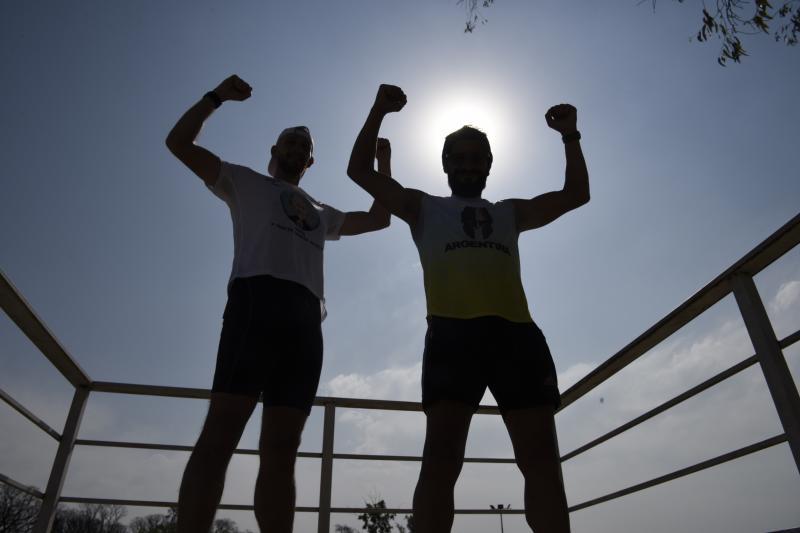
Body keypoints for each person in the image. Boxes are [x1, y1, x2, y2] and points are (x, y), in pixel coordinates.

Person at [347, 84, 589, 533]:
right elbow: (359, 171)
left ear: (489, 165)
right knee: (441, 461)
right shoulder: (423, 207)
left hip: (516, 336)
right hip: (452, 335)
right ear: (445, 164)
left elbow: (575, 195)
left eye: (477, 157)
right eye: (458, 157)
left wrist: (570, 135)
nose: (467, 164)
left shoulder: (511, 212)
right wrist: (379, 109)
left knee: (540, 462)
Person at [165, 74, 392, 533]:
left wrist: (384, 162)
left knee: (283, 447)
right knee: (222, 433)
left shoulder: (321, 212)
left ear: (310, 163)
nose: (293, 150)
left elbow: (380, 218)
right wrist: (216, 98)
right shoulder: (243, 182)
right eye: (288, 142)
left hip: (306, 320)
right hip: (255, 302)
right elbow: (179, 142)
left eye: (302, 147)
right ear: (273, 151)